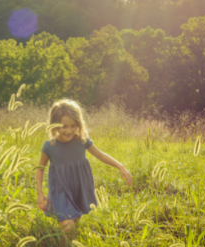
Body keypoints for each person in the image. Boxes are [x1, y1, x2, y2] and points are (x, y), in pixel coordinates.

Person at [35, 99, 133, 234]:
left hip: (79, 187)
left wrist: (120, 166)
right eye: (64, 126)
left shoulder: (81, 140)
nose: (69, 130)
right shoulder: (49, 146)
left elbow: (100, 155)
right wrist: (39, 192)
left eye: (73, 126)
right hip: (61, 190)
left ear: (78, 124)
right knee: (68, 227)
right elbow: (40, 169)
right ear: (54, 125)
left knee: (72, 226)